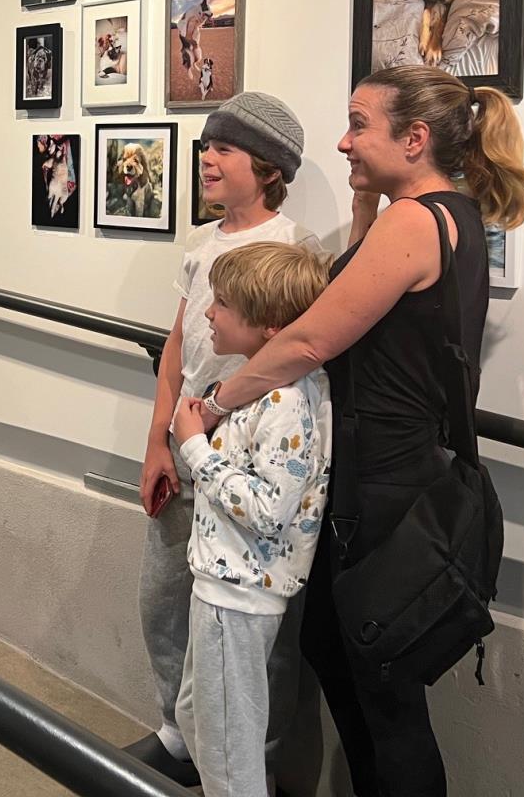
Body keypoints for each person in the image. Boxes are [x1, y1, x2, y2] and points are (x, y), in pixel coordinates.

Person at [203, 65, 524, 797]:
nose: (343, 141)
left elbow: (309, 339)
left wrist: (215, 404)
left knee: (385, 700)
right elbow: (354, 301)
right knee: (346, 659)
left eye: (359, 125)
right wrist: (360, 206)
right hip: (387, 477)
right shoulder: (442, 215)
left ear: (414, 139)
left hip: (382, 490)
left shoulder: (418, 222)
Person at [127, 92, 323, 791]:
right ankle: (180, 736)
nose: (207, 159)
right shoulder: (199, 244)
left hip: (248, 459)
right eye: (206, 146)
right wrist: (160, 442)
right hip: (189, 442)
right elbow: (178, 345)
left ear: (268, 167)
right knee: (165, 598)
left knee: (248, 628)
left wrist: (211, 421)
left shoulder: (296, 248)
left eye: (225, 149)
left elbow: (303, 351)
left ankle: (251, 761)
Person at [170, 241, 333, 797]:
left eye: (222, 305)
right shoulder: (265, 389)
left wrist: (195, 449)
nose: (208, 314)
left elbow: (268, 510)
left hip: (239, 595)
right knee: (197, 716)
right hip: (223, 586)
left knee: (228, 757)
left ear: (267, 326)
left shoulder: (287, 400)